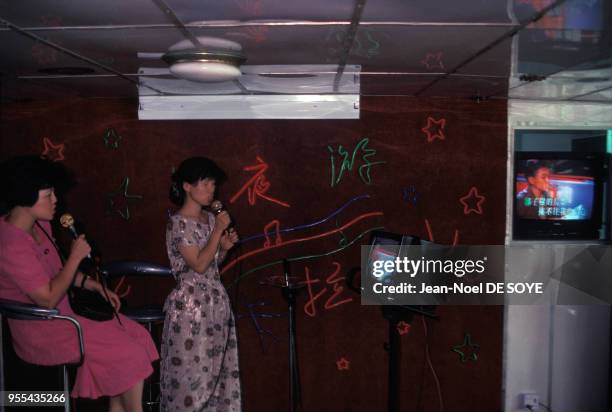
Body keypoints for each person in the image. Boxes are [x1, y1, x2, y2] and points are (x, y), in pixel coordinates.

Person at [0, 156, 159, 412]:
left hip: (67, 316)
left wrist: (93, 285)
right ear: (24, 195)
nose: (56, 201)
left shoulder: (40, 225)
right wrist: (75, 257)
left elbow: (55, 273)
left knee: (137, 336)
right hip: (44, 328)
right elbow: (48, 297)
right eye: (48, 194)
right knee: (127, 353)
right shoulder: (10, 244)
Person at [160, 157, 241, 411]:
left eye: (213, 184)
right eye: (204, 184)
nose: (211, 190)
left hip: (216, 304)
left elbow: (210, 264)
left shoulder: (209, 218)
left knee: (217, 375)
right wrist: (218, 231)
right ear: (186, 186)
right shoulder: (178, 223)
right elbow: (197, 265)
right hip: (190, 309)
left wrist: (223, 250)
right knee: (191, 379)